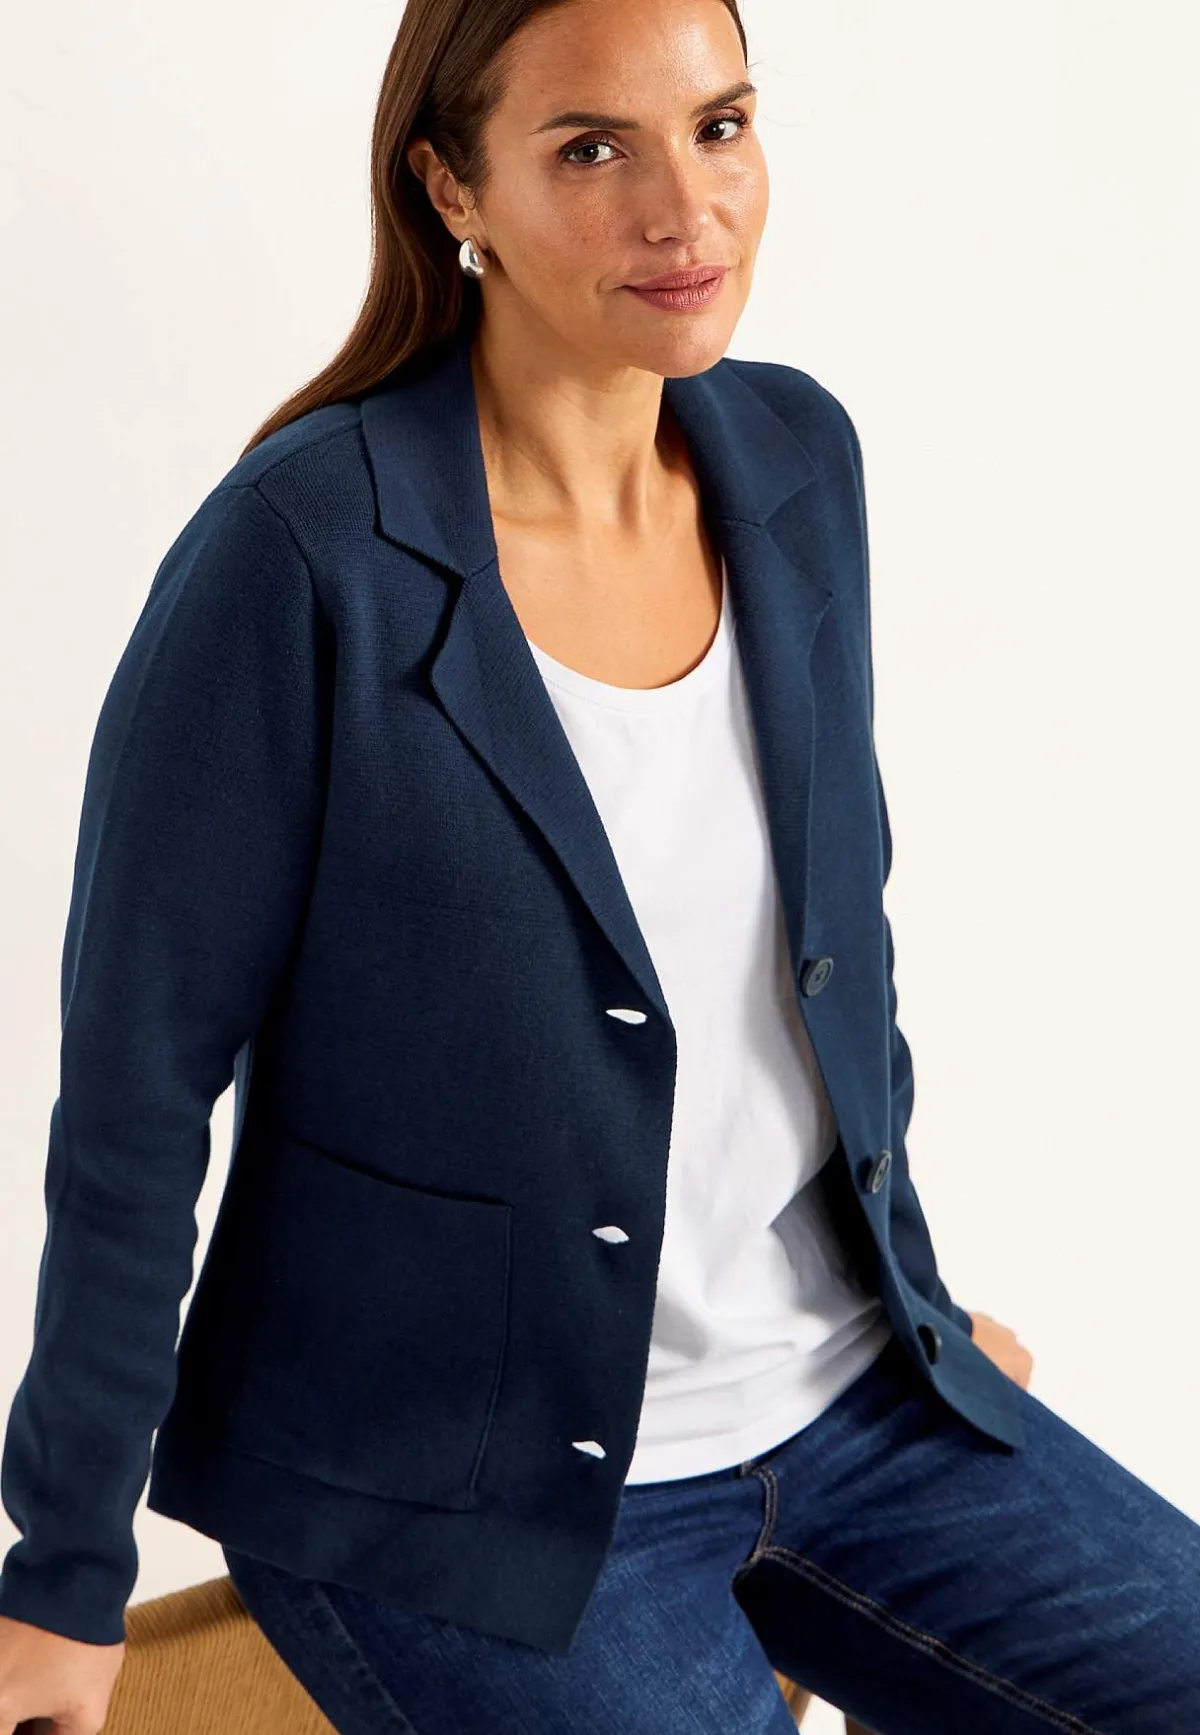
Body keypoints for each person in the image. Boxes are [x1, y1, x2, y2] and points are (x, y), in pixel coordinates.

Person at [1, 1, 1198, 1731]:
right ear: (450, 187)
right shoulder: (299, 556)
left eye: (719, 126)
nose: (684, 211)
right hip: (456, 1485)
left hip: (852, 1404)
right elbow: (133, 1089)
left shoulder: (795, 459)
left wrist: (913, 1310)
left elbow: (831, 958)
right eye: (589, 149)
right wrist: (60, 1571)